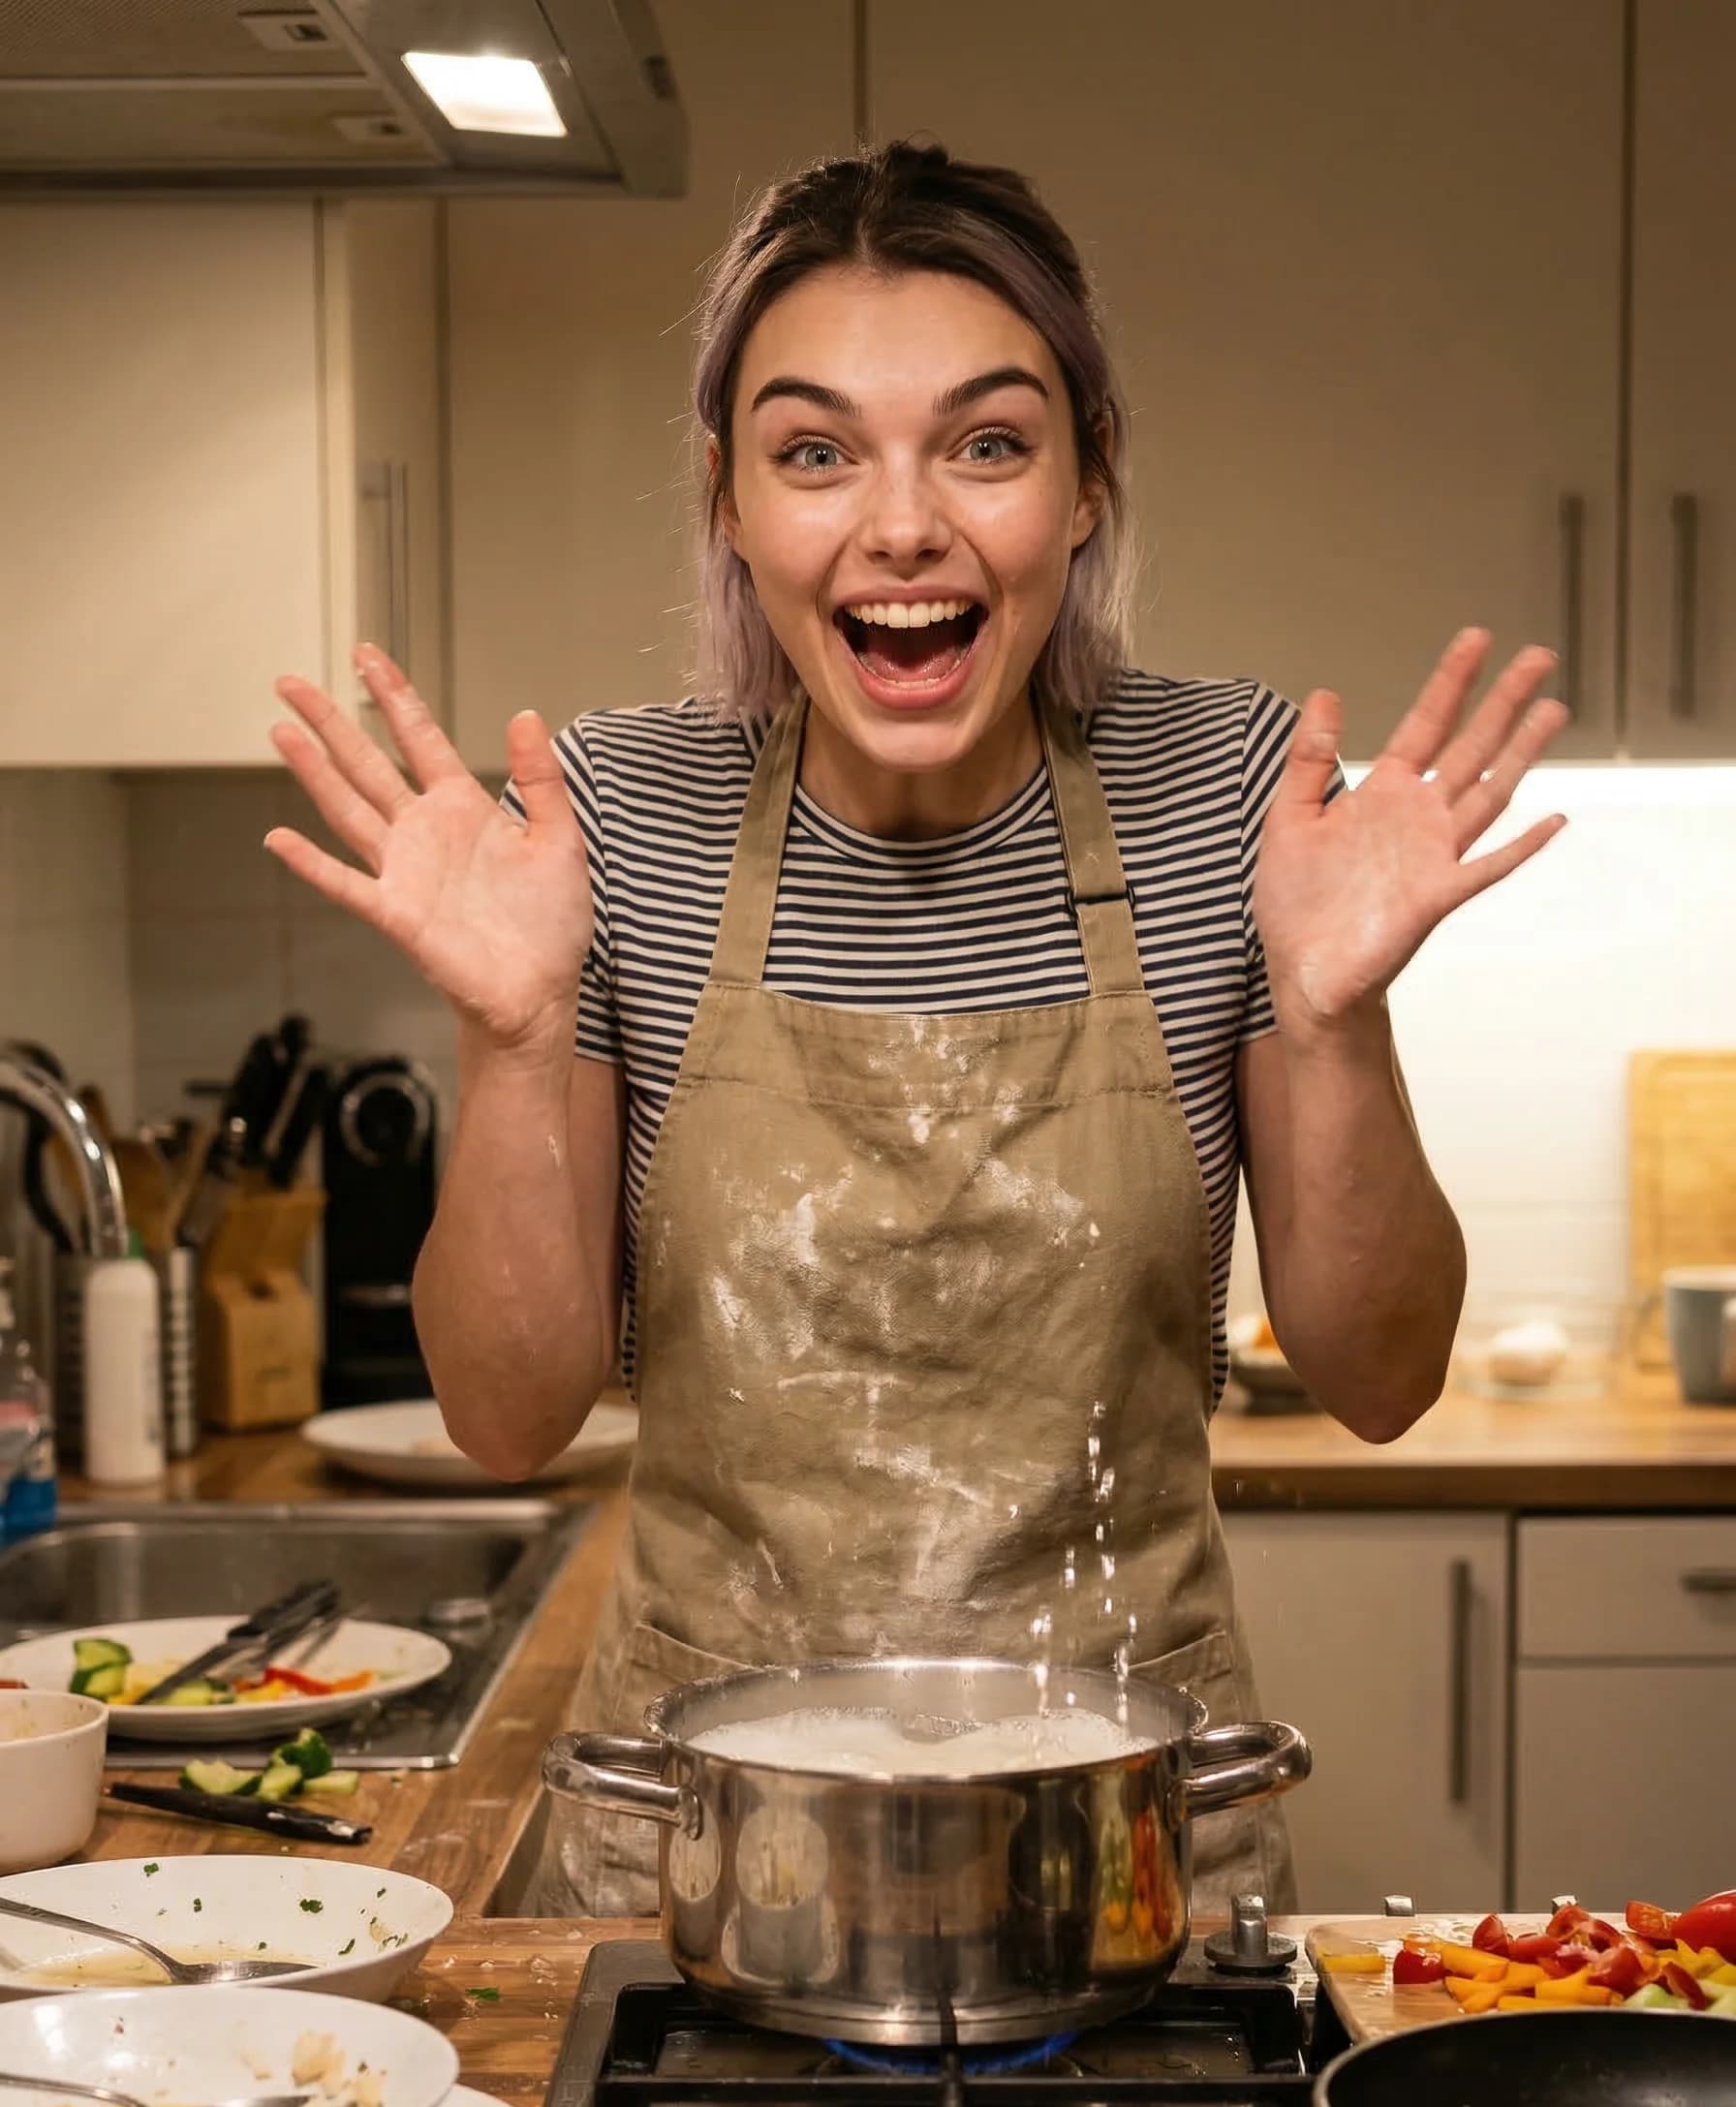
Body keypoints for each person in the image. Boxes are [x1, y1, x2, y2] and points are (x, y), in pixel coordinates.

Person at [265, 143, 1568, 1915]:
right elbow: (506, 1419)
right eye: (815, 451)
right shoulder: (616, 825)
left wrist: (1336, 1023)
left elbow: (1383, 1377)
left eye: (988, 441)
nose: (902, 526)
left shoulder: (1229, 799)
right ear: (728, 500)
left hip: (1125, 1859)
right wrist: (512, 1043)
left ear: (1088, 482)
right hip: (705, 1858)